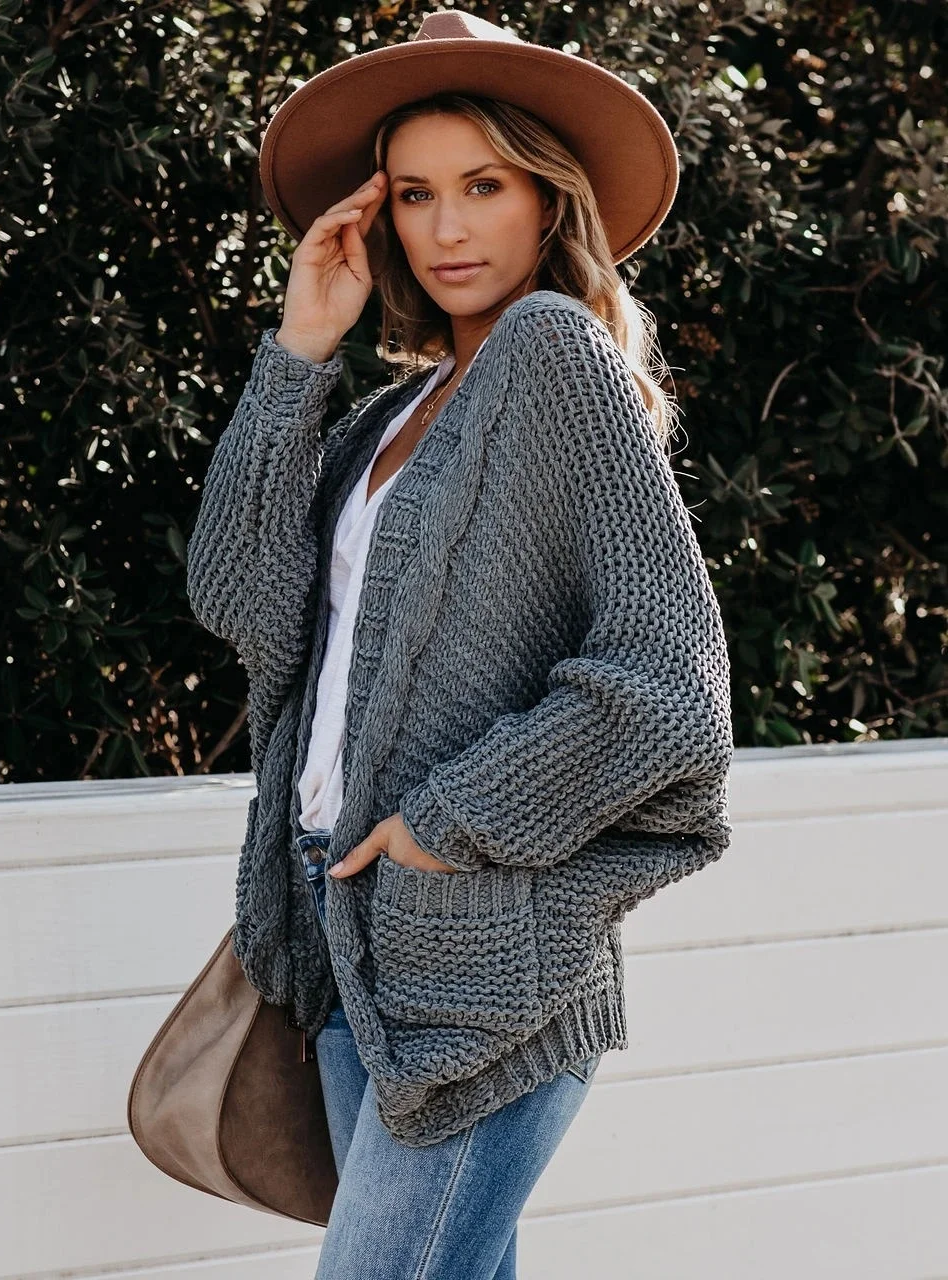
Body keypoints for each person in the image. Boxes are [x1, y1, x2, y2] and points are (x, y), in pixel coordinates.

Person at [186, 10, 734, 1279]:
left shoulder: (552, 354)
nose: (446, 228)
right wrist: (298, 352)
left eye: (483, 187)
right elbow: (237, 598)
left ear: (547, 203)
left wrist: (445, 824)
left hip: (477, 946)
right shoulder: (390, 413)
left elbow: (668, 684)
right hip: (341, 936)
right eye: (416, 194)